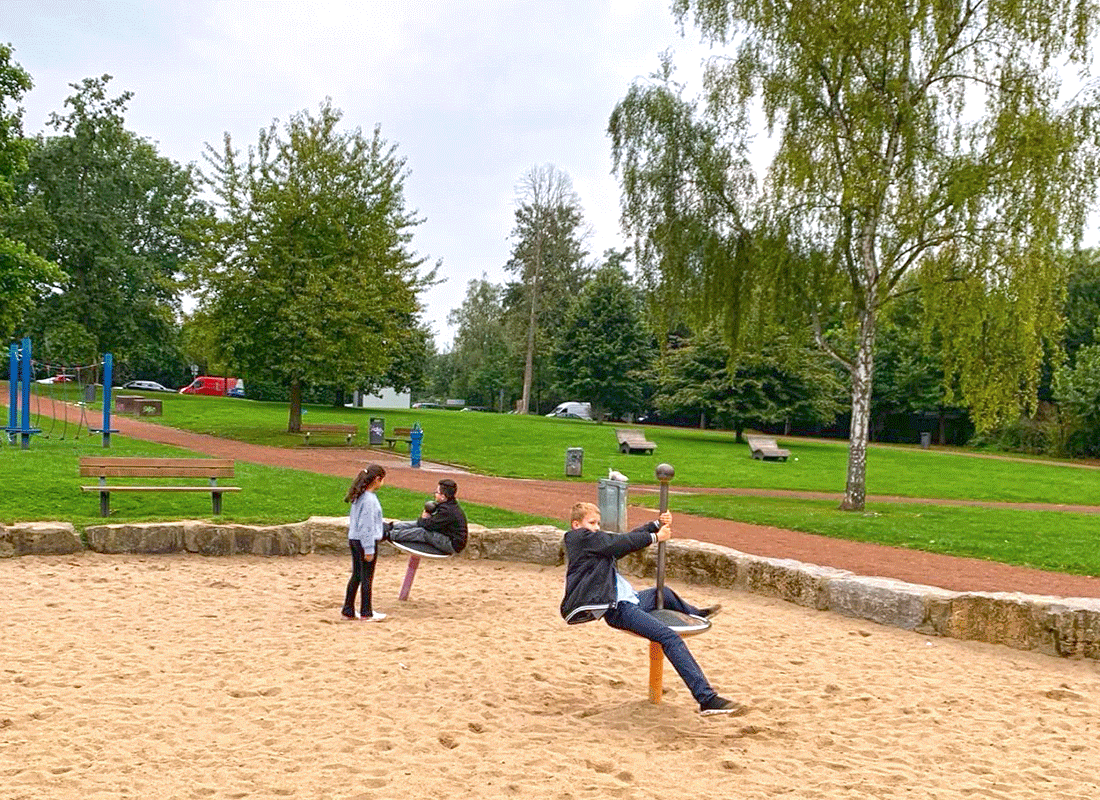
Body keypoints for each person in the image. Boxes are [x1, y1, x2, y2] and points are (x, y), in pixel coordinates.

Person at [559, 502, 746, 716]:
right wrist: (656, 537)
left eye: (598, 523)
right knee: (669, 637)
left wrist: (655, 525)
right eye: (591, 523)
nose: (597, 527)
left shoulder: (594, 545)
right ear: (576, 525)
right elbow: (620, 541)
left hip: (631, 600)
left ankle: (695, 613)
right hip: (618, 609)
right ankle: (707, 699)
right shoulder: (579, 540)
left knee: (661, 593)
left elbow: (627, 540)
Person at [341, 464, 387, 621]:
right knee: (366, 577)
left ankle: (348, 609)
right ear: (377, 480)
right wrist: (369, 548)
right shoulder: (368, 499)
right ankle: (366, 612)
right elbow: (366, 525)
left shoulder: (359, 495)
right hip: (364, 540)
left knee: (357, 575)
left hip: (354, 538)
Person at [385, 478, 468, 555]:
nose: (435, 494)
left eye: (437, 492)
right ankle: (391, 526)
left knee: (423, 532)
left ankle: (390, 535)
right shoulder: (448, 505)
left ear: (443, 496)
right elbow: (423, 523)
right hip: (445, 536)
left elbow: (428, 526)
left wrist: (424, 518)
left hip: (452, 544)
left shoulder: (448, 511)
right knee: (420, 524)